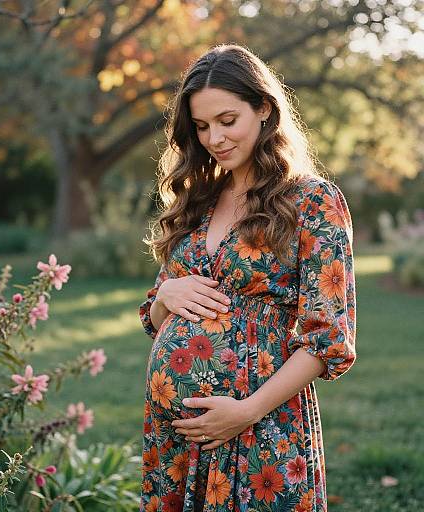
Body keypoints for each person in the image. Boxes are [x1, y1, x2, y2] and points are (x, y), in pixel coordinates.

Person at [138, 44, 356, 512]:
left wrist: (245, 412)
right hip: (174, 438)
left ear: (263, 109)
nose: (214, 137)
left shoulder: (313, 202)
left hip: (260, 425)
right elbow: (158, 318)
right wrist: (166, 296)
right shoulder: (197, 200)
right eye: (201, 126)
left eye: (227, 120)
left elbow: (328, 340)